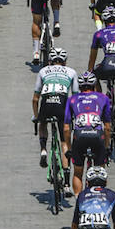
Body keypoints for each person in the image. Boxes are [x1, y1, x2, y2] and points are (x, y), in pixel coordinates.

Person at [88, 6, 115, 148]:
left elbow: (93, 56)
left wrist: (90, 71)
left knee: (94, 74)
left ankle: (100, 99)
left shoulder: (99, 34)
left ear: (104, 21)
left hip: (108, 65)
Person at [32, 47, 78, 177]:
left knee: (43, 124)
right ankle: (67, 180)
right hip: (62, 102)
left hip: (46, 102)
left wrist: (36, 116)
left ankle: (43, 150)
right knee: (64, 141)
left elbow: (35, 99)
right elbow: (75, 97)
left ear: (50, 61)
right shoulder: (71, 72)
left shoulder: (43, 71)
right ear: (65, 61)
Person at [63, 71, 111, 195]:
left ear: (79, 87)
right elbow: (107, 127)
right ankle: (99, 197)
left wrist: (69, 148)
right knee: (100, 171)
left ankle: (79, 201)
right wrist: (106, 147)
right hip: (97, 136)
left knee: (78, 172)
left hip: (79, 136)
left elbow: (66, 128)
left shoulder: (72, 99)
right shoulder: (103, 98)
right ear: (94, 85)